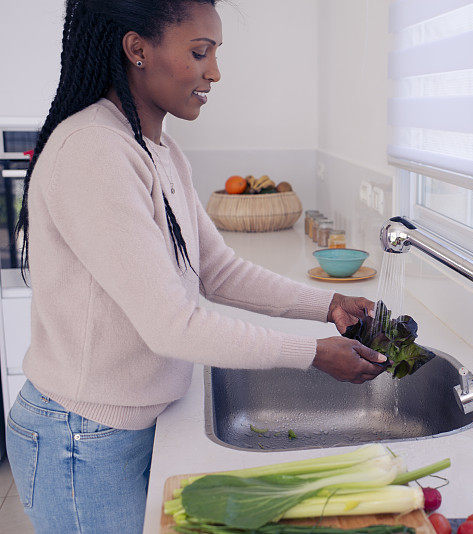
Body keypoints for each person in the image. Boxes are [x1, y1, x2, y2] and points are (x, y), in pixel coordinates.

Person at [4, 1, 388, 532]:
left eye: (215, 53)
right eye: (199, 52)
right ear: (137, 49)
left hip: (124, 425)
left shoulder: (160, 151)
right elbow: (172, 325)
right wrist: (311, 354)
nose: (214, 71)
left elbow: (217, 270)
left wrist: (328, 304)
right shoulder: (94, 151)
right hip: (82, 435)